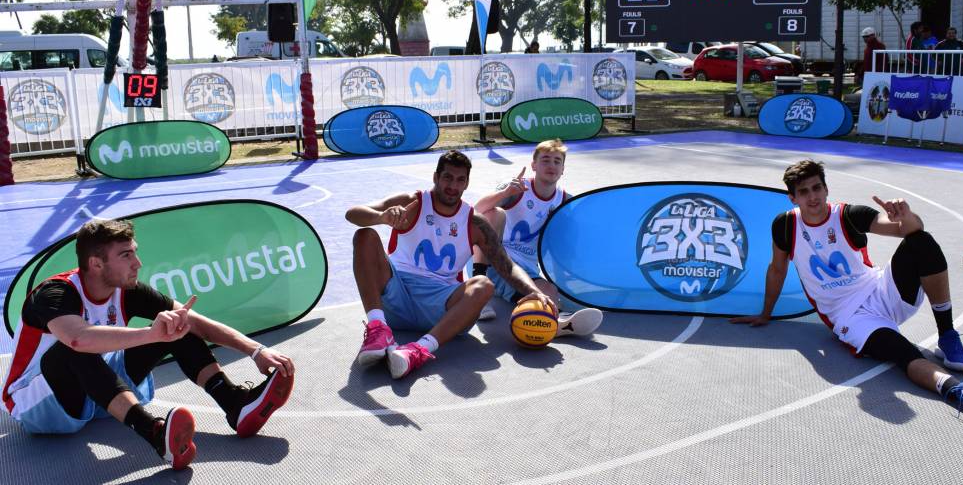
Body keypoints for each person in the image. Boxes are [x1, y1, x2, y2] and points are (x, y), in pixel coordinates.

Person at [1, 219, 296, 471]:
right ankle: (155, 433)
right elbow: (78, 338)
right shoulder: (54, 293)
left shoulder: (125, 290)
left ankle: (234, 404)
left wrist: (255, 350)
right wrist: (152, 334)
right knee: (75, 348)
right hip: (38, 404)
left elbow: (197, 322)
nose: (138, 263)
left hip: (96, 391)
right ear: (96, 263)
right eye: (126, 255)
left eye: (135, 252)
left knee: (178, 323)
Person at [731, 160, 963, 418]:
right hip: (850, 317)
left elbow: (909, 229)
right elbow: (777, 269)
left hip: (881, 290)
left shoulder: (848, 216)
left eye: (817, 188)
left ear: (826, 189)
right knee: (902, 353)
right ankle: (962, 395)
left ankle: (947, 335)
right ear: (793, 198)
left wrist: (905, 216)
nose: (813, 196)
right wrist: (766, 313)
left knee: (921, 241)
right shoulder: (785, 226)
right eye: (804, 192)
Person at [346, 150, 557, 379]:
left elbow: (507, 266)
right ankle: (378, 329)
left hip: (440, 308)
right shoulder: (412, 203)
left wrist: (534, 292)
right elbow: (352, 213)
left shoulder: (474, 222)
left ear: (466, 183)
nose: (453, 186)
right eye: (448, 177)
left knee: (483, 285)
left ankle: (419, 350)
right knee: (365, 236)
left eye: (460, 180)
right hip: (396, 296)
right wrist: (381, 217)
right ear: (436, 177)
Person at [471, 139, 603, 336]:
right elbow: (476, 212)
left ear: (563, 169)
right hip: (492, 259)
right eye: (545, 160)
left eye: (557, 161)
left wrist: (565, 284)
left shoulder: (564, 201)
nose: (551, 165)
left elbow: (565, 246)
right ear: (534, 165)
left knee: (549, 291)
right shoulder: (517, 187)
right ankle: (477, 289)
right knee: (493, 213)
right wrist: (504, 193)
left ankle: (554, 323)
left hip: (523, 268)